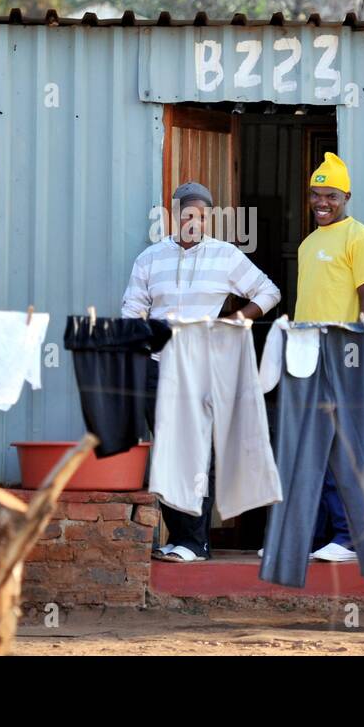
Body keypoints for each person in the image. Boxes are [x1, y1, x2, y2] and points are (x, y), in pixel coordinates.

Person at [121, 181, 281, 562]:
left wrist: (237, 320)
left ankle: (196, 543)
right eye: (187, 214)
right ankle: (178, 537)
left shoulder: (225, 256)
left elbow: (268, 291)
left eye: (202, 215)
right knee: (167, 452)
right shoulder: (150, 259)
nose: (194, 221)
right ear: (173, 216)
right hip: (157, 367)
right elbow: (131, 311)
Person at [295, 152, 364, 563]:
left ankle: (349, 538)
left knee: (342, 450)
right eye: (315, 195)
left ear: (346, 196)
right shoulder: (309, 242)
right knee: (311, 451)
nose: (321, 202)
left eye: (330, 195)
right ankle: (314, 537)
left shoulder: (358, 237)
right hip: (308, 359)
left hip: (343, 357)